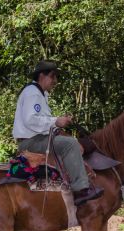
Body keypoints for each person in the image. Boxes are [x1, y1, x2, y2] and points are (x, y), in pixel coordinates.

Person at [12, 60, 103, 206]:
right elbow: (31, 120)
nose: (55, 81)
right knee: (71, 144)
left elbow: (42, 121)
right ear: (42, 75)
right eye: (53, 76)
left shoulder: (40, 94)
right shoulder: (32, 93)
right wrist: (56, 121)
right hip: (31, 142)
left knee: (73, 141)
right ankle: (80, 190)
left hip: (37, 138)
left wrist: (59, 124)